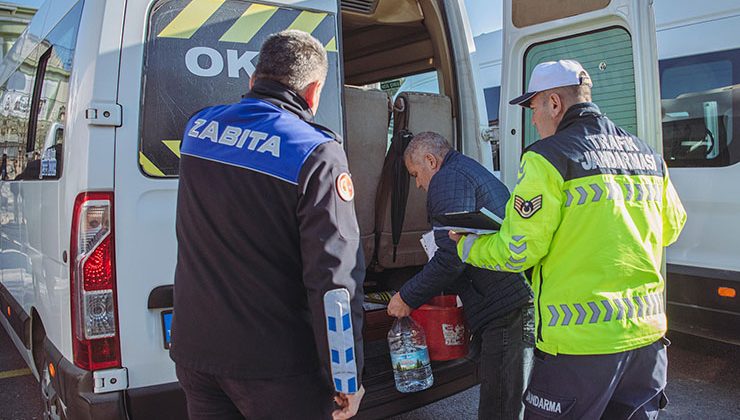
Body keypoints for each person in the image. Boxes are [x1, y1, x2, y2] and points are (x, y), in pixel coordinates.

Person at [450, 60, 687, 419]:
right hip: (646, 343)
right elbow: (671, 227)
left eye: (533, 108)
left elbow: (518, 250)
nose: (532, 120)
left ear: (555, 104)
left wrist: (466, 245)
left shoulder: (548, 158)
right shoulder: (647, 154)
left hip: (579, 350)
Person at [171, 30, 365, 420]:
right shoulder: (317, 155)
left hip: (197, 353)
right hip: (274, 369)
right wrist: (346, 380)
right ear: (313, 93)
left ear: (252, 79)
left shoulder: (198, 130)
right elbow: (334, 282)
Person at [386, 131, 534, 419]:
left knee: (501, 404)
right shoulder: (467, 169)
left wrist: (407, 296)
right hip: (511, 300)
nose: (418, 184)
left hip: (504, 307)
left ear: (431, 160)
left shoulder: (447, 179)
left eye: (416, 174)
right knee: (508, 397)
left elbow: (451, 257)